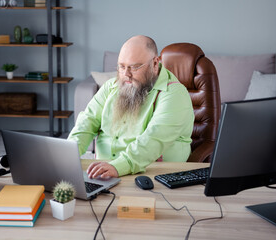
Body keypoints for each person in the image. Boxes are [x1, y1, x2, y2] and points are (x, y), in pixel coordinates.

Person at [68, 35, 194, 178]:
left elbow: (153, 138)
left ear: (155, 63)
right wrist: (67, 156)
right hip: (104, 173)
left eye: (134, 67)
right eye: (122, 67)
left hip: (154, 175)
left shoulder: (174, 93)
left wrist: (117, 166)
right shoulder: (111, 86)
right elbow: (87, 121)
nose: (126, 74)